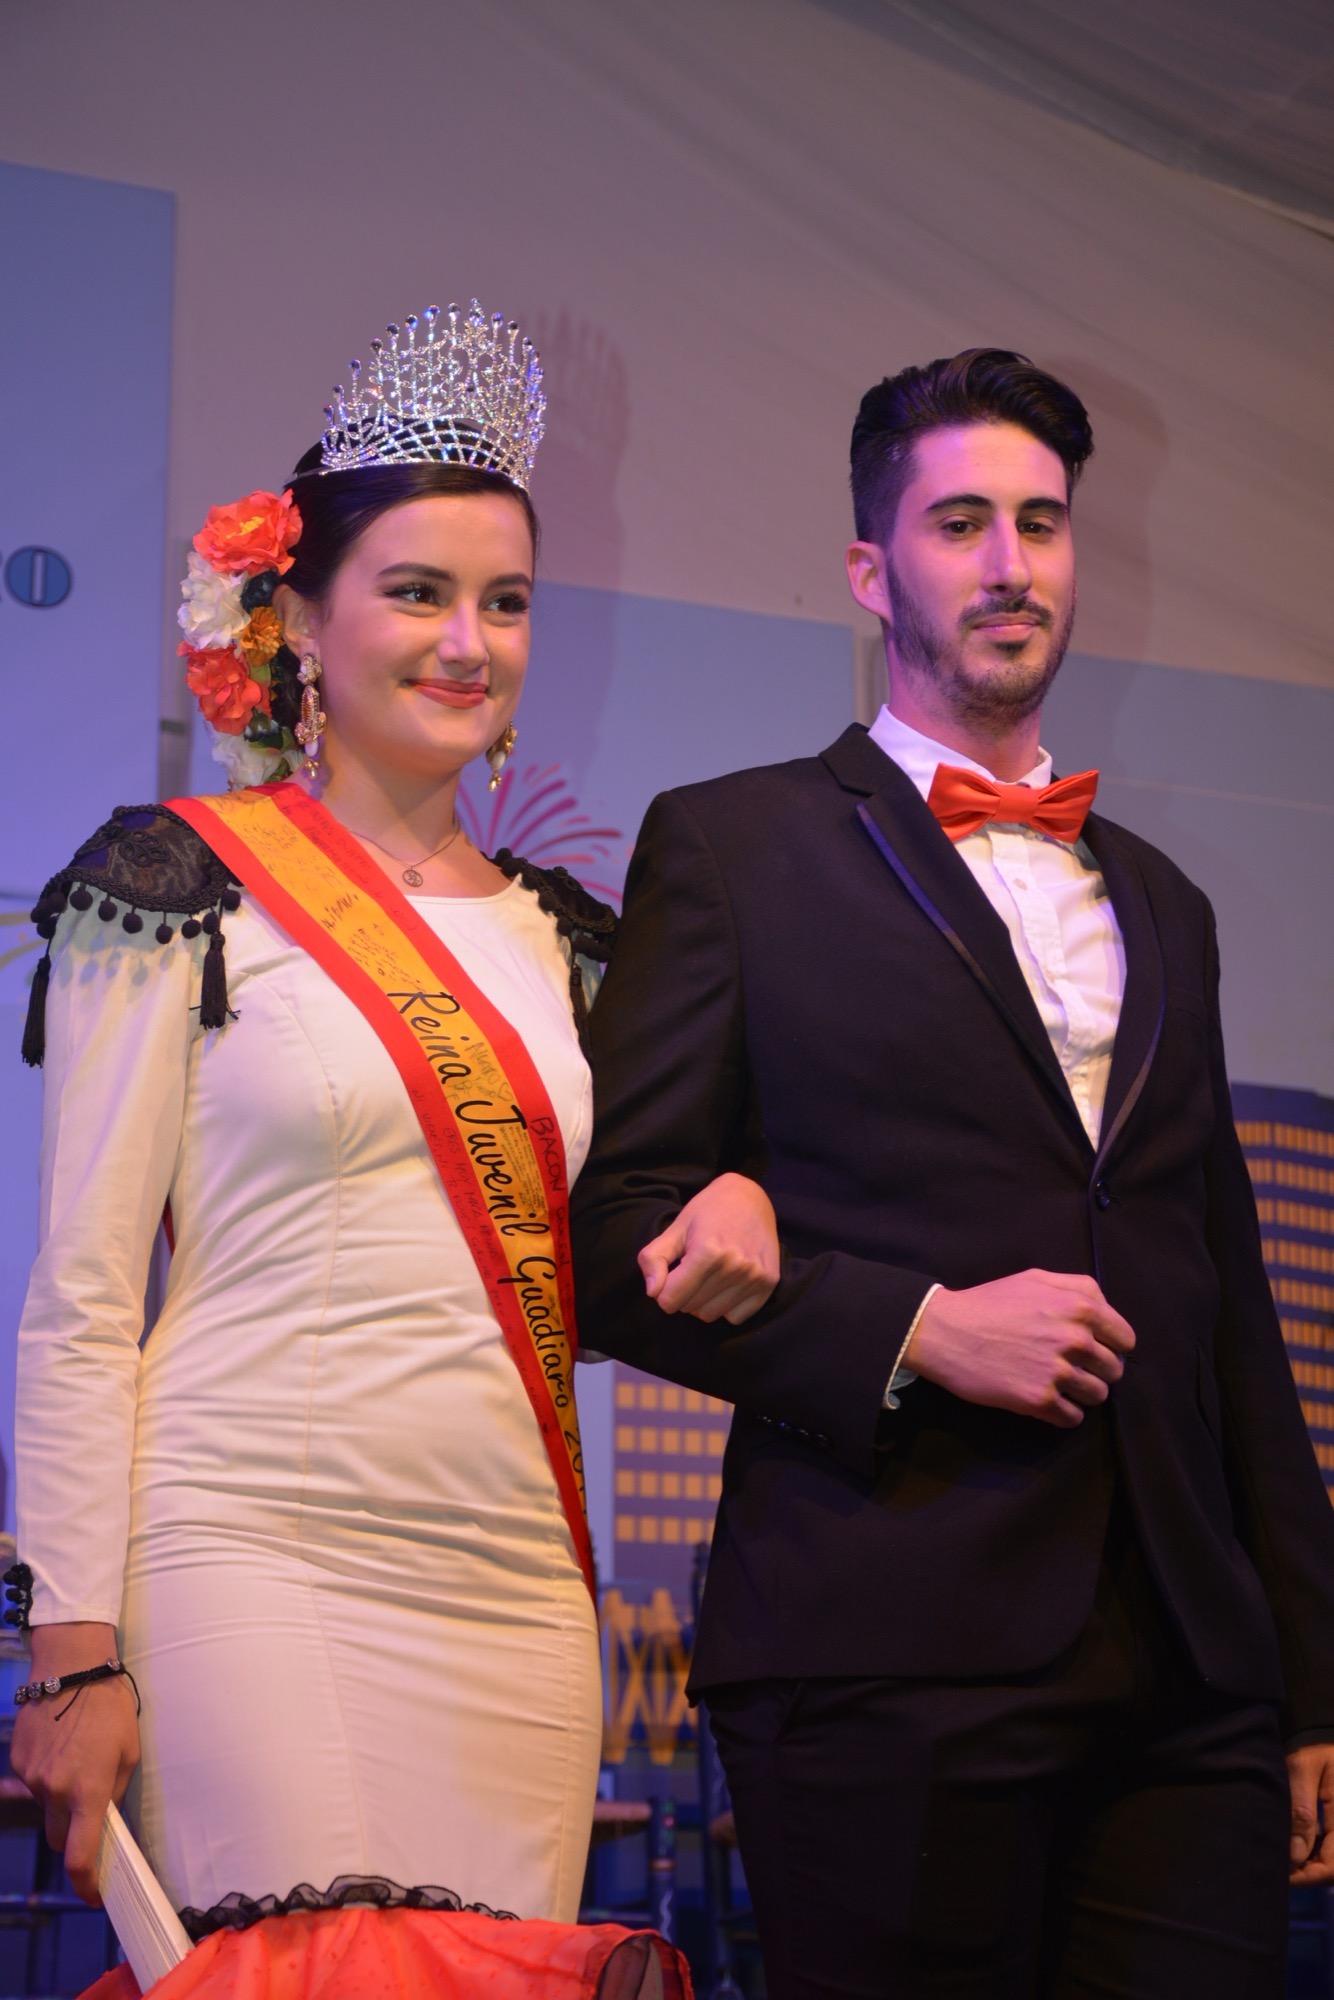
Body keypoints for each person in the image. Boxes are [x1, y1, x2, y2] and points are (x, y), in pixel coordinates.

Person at [9, 301, 775, 2000]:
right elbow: (80, 1295)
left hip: (515, 1583)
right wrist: (68, 1651)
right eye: (418, 593)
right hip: (251, 1543)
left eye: (505, 602)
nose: (467, 643)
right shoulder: (176, 883)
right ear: (298, 619)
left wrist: (737, 1189)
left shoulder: (575, 947)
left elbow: (633, 1224)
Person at [570, 348, 1334, 1998]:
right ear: (870, 570)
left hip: (1188, 1664)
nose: (1009, 564)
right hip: (882, 1641)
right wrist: (918, 1329)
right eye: (959, 523)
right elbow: (612, 1240)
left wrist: (1305, 1674)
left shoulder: (1166, 901)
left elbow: (1226, 1304)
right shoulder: (733, 845)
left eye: (1041, 525)